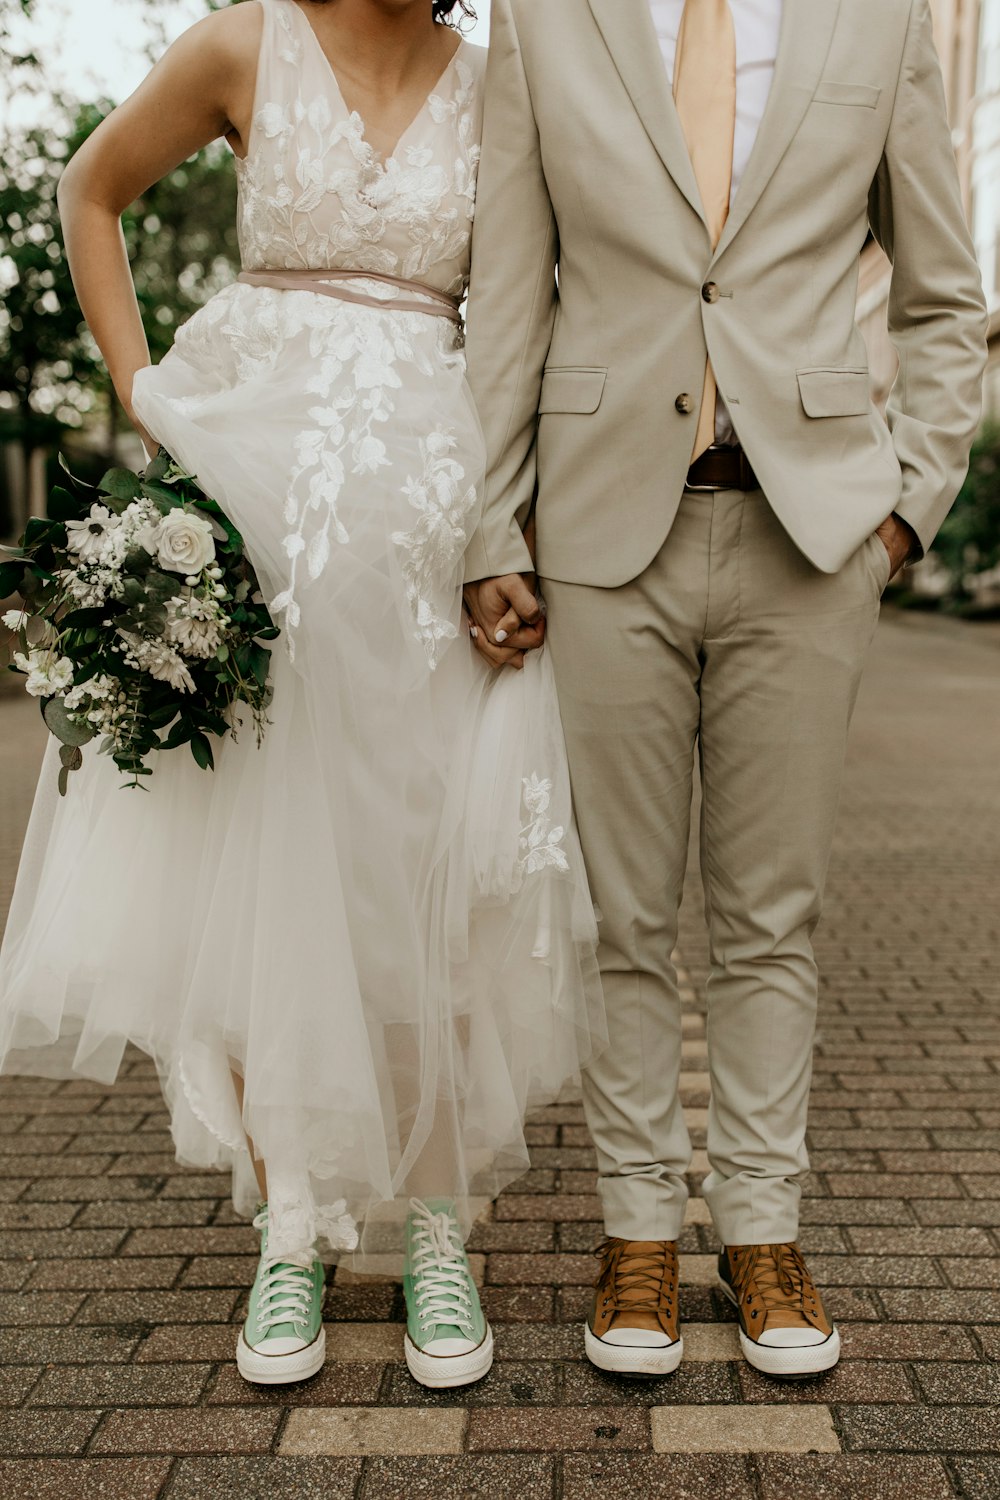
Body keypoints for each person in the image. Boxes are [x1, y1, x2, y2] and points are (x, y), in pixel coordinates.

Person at [0, 0, 604, 1391]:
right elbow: (89, 189)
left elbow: (536, 301)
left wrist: (515, 526)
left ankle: (440, 1221)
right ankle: (294, 1223)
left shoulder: (502, 77)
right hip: (263, 511)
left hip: (441, 530)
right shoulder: (237, 45)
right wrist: (144, 390)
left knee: (429, 858)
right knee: (277, 854)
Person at [463, 0, 988, 1380]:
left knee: (772, 915)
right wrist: (489, 527)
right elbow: (512, 294)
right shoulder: (543, 17)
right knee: (624, 916)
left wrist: (908, 510)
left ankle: (763, 1230)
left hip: (811, 536)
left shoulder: (880, 22)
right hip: (597, 533)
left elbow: (945, 299)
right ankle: (636, 1234)